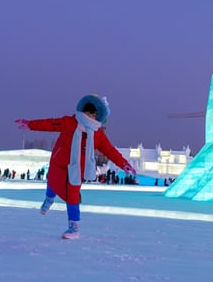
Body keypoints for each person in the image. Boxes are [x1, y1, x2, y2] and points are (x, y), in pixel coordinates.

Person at [15, 94, 135, 240]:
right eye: (88, 113)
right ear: (83, 111)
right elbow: (50, 124)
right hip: (59, 163)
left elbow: (110, 150)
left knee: (73, 196)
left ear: (97, 116)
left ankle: (74, 227)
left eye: (93, 115)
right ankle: (49, 199)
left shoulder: (97, 134)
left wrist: (124, 164)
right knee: (52, 181)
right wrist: (30, 124)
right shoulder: (70, 122)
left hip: (76, 170)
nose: (89, 117)